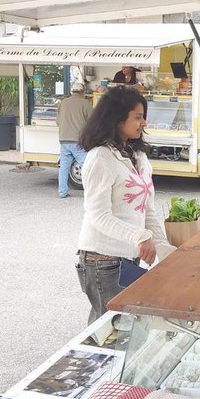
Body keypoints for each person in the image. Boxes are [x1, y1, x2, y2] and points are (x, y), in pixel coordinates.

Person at [74, 85, 168, 324]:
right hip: (102, 263)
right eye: (137, 117)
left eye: (143, 117)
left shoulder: (138, 157)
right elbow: (98, 215)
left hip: (128, 259)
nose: (144, 123)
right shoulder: (100, 158)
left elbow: (148, 210)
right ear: (117, 118)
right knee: (111, 334)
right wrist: (139, 236)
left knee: (126, 330)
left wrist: (165, 250)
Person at [56, 82, 94, 198]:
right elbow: (92, 122)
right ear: (83, 92)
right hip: (78, 140)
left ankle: (62, 192)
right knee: (88, 165)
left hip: (63, 139)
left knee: (64, 167)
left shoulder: (63, 103)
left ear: (72, 92)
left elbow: (58, 122)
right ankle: (92, 192)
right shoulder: (85, 103)